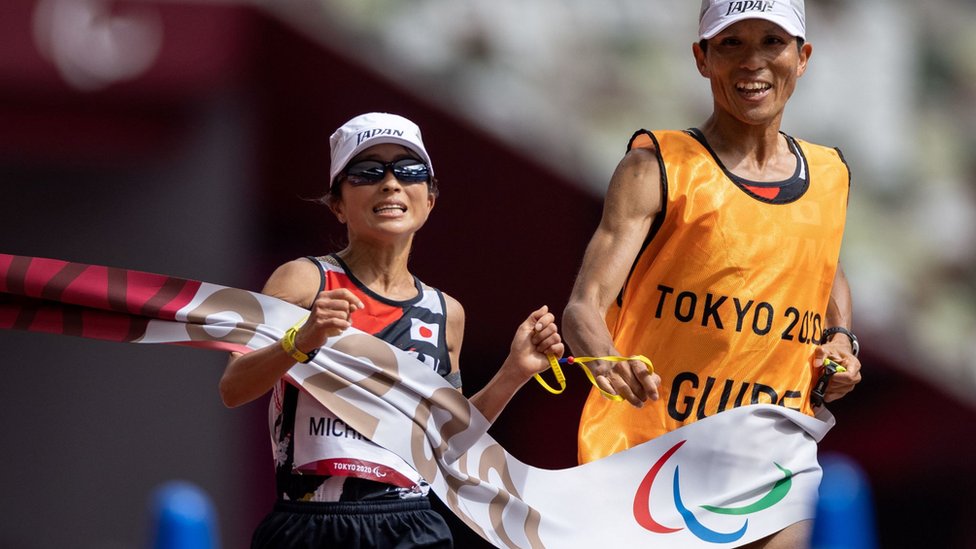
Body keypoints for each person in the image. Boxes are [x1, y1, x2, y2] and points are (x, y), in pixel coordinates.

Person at [562, 1, 861, 546]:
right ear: (702, 58)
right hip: (653, 449)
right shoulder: (655, 166)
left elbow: (824, 262)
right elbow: (583, 306)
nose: (753, 62)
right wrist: (606, 359)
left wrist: (841, 338)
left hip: (772, 449)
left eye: (772, 42)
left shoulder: (829, 174)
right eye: (731, 44)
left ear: (803, 57)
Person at [219, 112, 563, 548]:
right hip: (312, 523)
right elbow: (234, 387)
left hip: (411, 526)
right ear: (338, 204)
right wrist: (300, 340)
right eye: (367, 171)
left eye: (409, 170)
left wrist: (515, 371)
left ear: (430, 199)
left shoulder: (445, 312)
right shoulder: (303, 281)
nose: (390, 183)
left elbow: (446, 443)